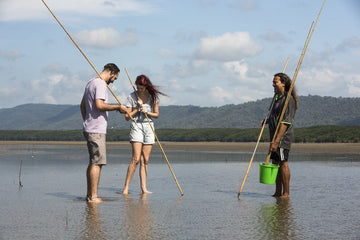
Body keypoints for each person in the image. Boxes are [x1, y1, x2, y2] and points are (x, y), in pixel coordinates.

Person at [80, 63, 128, 203]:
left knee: (94, 162)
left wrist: (87, 121)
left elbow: (82, 105)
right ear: (111, 72)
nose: (113, 81)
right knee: (97, 162)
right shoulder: (100, 84)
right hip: (96, 130)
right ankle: (93, 196)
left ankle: (90, 195)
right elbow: (100, 105)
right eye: (115, 78)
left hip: (90, 128)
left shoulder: (90, 83)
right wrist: (118, 107)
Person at [122, 74, 167, 195]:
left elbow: (156, 114)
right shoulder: (132, 96)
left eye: (142, 88)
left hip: (149, 126)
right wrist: (137, 108)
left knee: (145, 160)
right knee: (136, 159)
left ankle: (143, 188)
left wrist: (147, 111)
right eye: (138, 88)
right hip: (136, 125)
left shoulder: (153, 96)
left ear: (146, 86)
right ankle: (126, 188)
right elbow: (127, 117)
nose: (139, 90)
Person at [263, 73, 298, 198]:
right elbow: (275, 116)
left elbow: (285, 122)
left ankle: (286, 193)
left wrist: (276, 141)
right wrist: (266, 121)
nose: (273, 84)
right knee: (275, 162)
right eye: (273, 82)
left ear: (283, 83)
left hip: (282, 138)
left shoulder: (289, 100)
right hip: (274, 137)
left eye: (275, 82)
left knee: (283, 162)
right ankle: (278, 192)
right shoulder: (278, 98)